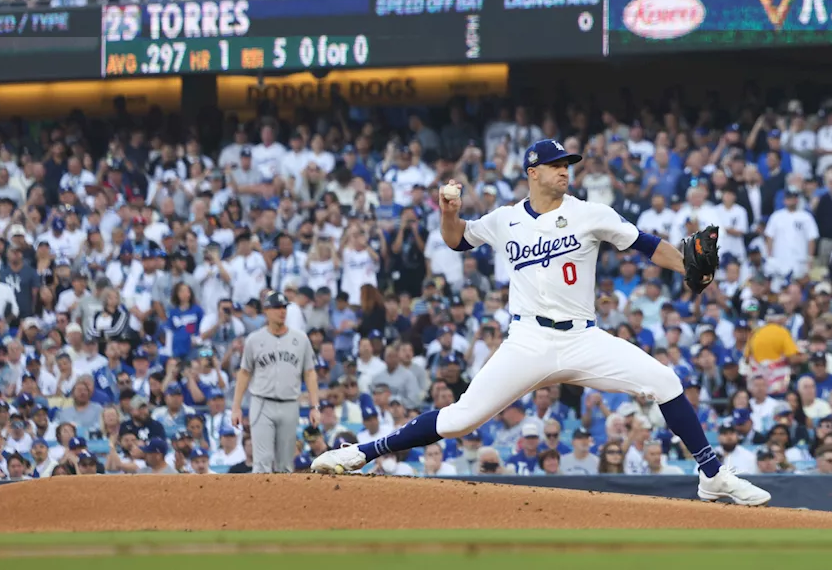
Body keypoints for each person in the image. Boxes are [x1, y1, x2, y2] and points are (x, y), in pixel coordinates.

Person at [312, 140, 770, 506]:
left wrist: (689, 268)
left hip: (583, 338)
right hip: (528, 339)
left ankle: (712, 476)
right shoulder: (506, 219)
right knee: (459, 420)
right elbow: (456, 241)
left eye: (567, 165)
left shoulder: (590, 212)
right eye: (555, 165)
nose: (564, 171)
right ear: (533, 172)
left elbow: (648, 245)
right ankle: (359, 454)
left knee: (666, 381)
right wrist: (448, 213)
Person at [231, 291, 319, 474]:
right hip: (262, 403)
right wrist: (236, 407)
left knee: (285, 465)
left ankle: (282, 503)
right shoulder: (254, 339)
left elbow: (310, 373)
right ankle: (259, 502)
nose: (282, 311)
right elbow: (244, 373)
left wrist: (314, 406)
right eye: (277, 307)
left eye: (284, 307)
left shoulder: (301, 339)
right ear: (266, 311)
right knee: (262, 463)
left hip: (290, 403)